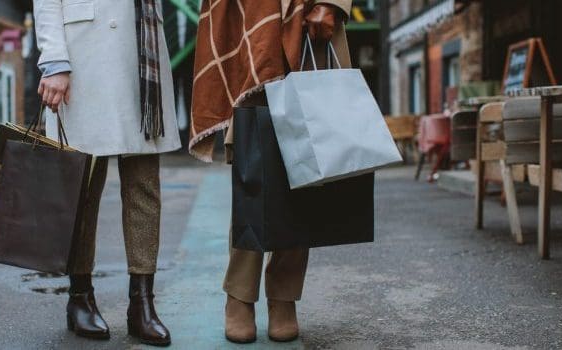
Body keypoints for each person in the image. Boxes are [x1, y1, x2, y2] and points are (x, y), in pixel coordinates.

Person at [189, 0, 352, 344]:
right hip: (251, 26)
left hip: (308, 24)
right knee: (254, 172)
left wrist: (333, 3)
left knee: (306, 170)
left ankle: (284, 295)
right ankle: (240, 295)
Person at [33, 0, 181, 346]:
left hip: (141, 59)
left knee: (144, 187)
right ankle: (80, 296)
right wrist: (54, 60)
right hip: (83, 59)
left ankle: (142, 304)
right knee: (81, 191)